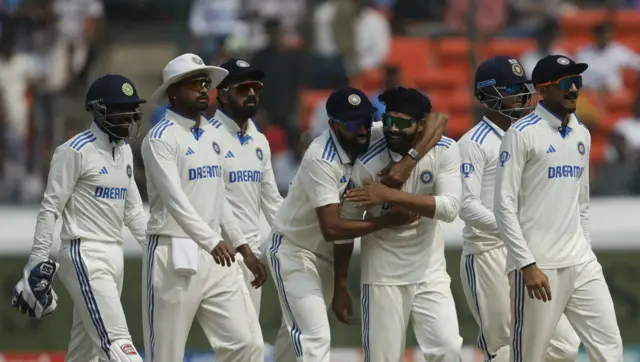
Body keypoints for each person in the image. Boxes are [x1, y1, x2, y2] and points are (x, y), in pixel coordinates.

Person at [267, 86, 448, 362]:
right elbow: (333, 228)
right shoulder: (321, 158)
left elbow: (439, 119)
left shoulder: (372, 132)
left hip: (326, 256)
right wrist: (387, 220)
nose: (363, 129)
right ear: (332, 125)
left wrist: (408, 162)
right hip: (294, 252)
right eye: (352, 124)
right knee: (315, 336)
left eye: (366, 120)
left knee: (292, 338)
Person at [495, 55, 623, 362]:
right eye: (566, 83)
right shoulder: (521, 133)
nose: (574, 90)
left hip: (580, 262)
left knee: (610, 349)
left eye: (577, 82)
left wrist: (587, 251)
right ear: (543, 89)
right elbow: (504, 205)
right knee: (528, 356)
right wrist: (526, 264)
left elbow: (582, 204)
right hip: (540, 265)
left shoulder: (582, 132)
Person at [12, 74, 148, 361]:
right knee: (118, 343)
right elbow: (50, 208)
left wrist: (157, 248)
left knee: (84, 352)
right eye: (120, 108)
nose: (129, 116)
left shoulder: (123, 151)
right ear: (99, 110)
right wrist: (36, 261)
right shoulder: (74, 151)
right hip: (84, 254)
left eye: (131, 108)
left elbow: (133, 210)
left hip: (114, 255)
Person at [141, 53, 265, 362]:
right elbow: (175, 200)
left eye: (205, 83)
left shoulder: (212, 133)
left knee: (247, 345)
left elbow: (218, 195)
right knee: (166, 355)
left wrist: (243, 247)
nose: (202, 90)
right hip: (174, 251)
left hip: (218, 255)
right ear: (173, 91)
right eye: (194, 83)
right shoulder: (160, 138)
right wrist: (211, 241)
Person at [458, 56, 580, 362]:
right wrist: (512, 230)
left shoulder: (531, 135)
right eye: (512, 89)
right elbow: (466, 206)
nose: (523, 95)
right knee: (501, 345)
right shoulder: (473, 142)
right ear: (488, 96)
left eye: (523, 87)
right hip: (488, 253)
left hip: (530, 251)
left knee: (564, 345)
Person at [341, 87, 463, 361]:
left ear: (420, 125)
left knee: (448, 349)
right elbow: (346, 223)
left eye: (402, 123)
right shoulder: (367, 159)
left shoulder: (445, 150)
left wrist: (391, 193)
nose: (392, 129)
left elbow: (450, 208)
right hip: (383, 276)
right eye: (388, 120)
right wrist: (340, 286)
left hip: (429, 272)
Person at [209, 58, 283, 315]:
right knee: (243, 345)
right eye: (243, 88)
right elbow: (216, 202)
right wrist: (244, 250)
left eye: (256, 87)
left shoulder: (259, 140)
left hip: (253, 260)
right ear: (222, 94)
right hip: (219, 255)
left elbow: (272, 201)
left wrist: (297, 236)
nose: (252, 93)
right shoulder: (207, 137)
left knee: (249, 349)